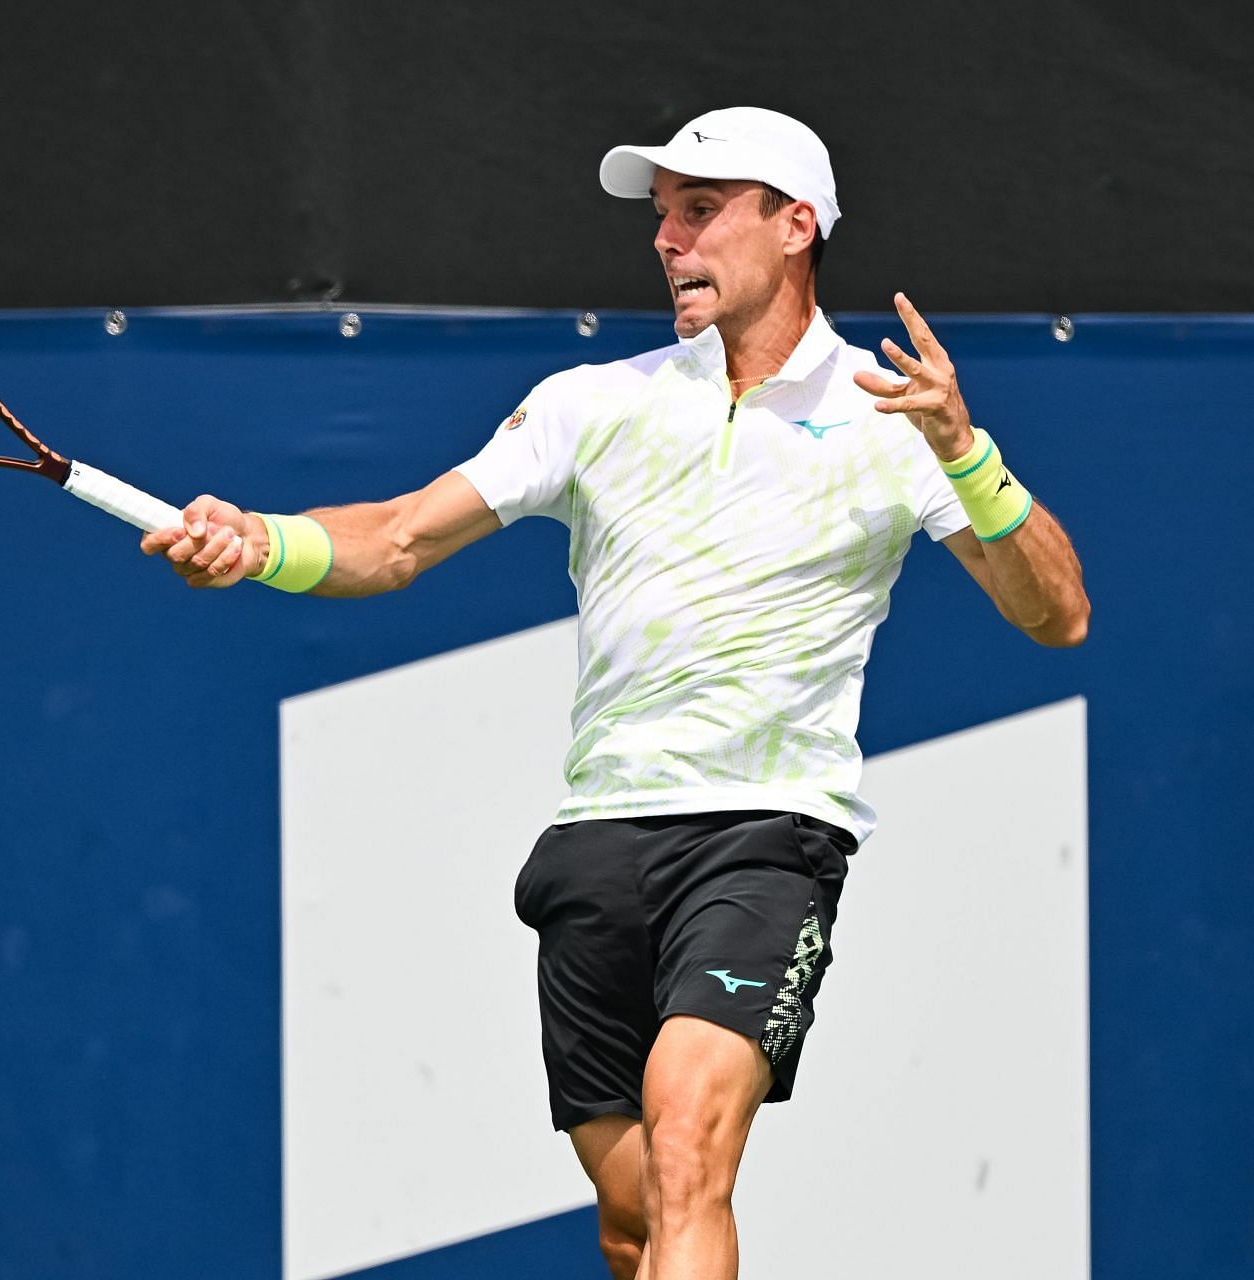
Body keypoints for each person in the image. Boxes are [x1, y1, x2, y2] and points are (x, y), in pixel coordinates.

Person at [140, 106, 1089, 1280]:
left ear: (796, 227)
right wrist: (262, 541)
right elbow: (391, 540)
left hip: (765, 835)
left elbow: (1058, 614)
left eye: (701, 211)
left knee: (692, 1147)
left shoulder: (896, 420)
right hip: (598, 844)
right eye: (661, 216)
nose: (667, 239)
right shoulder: (595, 401)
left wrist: (965, 452)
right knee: (638, 1219)